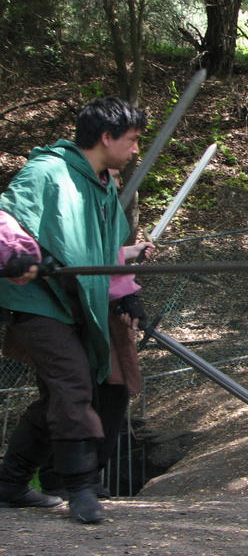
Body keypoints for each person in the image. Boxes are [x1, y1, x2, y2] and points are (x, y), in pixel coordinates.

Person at [0, 97, 146, 523]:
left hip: (78, 302)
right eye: (132, 139)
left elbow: (104, 252)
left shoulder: (104, 186)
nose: (136, 149)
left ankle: (10, 482)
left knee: (59, 394)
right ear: (107, 137)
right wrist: (16, 254)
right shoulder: (47, 171)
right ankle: (80, 487)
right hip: (37, 300)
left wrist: (124, 293)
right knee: (73, 383)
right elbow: (5, 218)